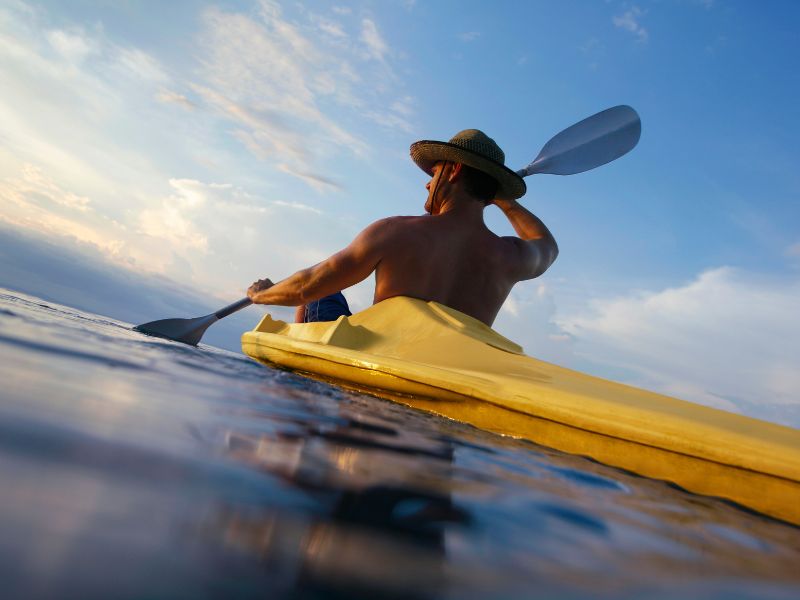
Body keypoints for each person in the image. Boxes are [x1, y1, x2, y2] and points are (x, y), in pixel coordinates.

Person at [247, 129, 558, 326]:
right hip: (444, 371)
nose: (427, 183)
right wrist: (500, 197)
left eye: (434, 172)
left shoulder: (394, 231)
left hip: (378, 360)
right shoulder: (511, 257)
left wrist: (262, 295)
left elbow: (308, 285)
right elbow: (546, 244)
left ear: (454, 170)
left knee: (320, 287)